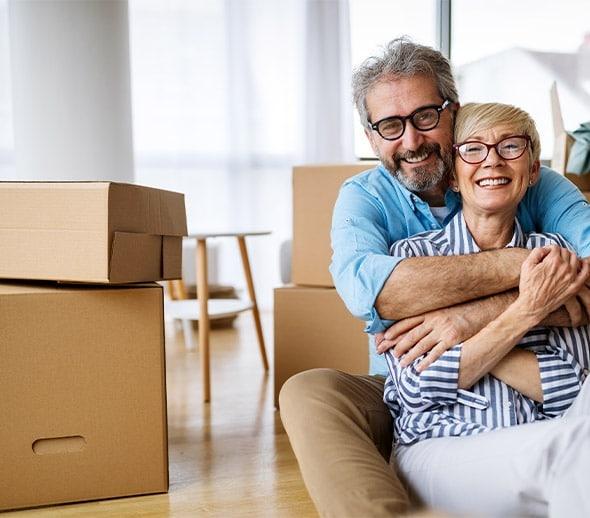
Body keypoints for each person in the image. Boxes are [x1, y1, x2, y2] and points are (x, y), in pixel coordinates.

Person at [279, 37, 590, 517]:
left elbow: (585, 280)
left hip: (531, 402)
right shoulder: (365, 198)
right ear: (371, 137)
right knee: (308, 392)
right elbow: (374, 293)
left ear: (453, 113)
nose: (411, 140)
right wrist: (534, 271)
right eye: (389, 125)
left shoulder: (527, 176)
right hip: (408, 383)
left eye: (425, 116)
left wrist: (466, 318)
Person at [385, 102, 590, 516]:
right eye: (473, 149)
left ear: (532, 172)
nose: (492, 159)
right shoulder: (412, 259)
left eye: (511, 147)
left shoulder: (557, 258)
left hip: (544, 438)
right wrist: (527, 311)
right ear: (454, 177)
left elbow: (573, 387)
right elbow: (416, 387)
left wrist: (464, 331)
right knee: (569, 448)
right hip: (441, 448)